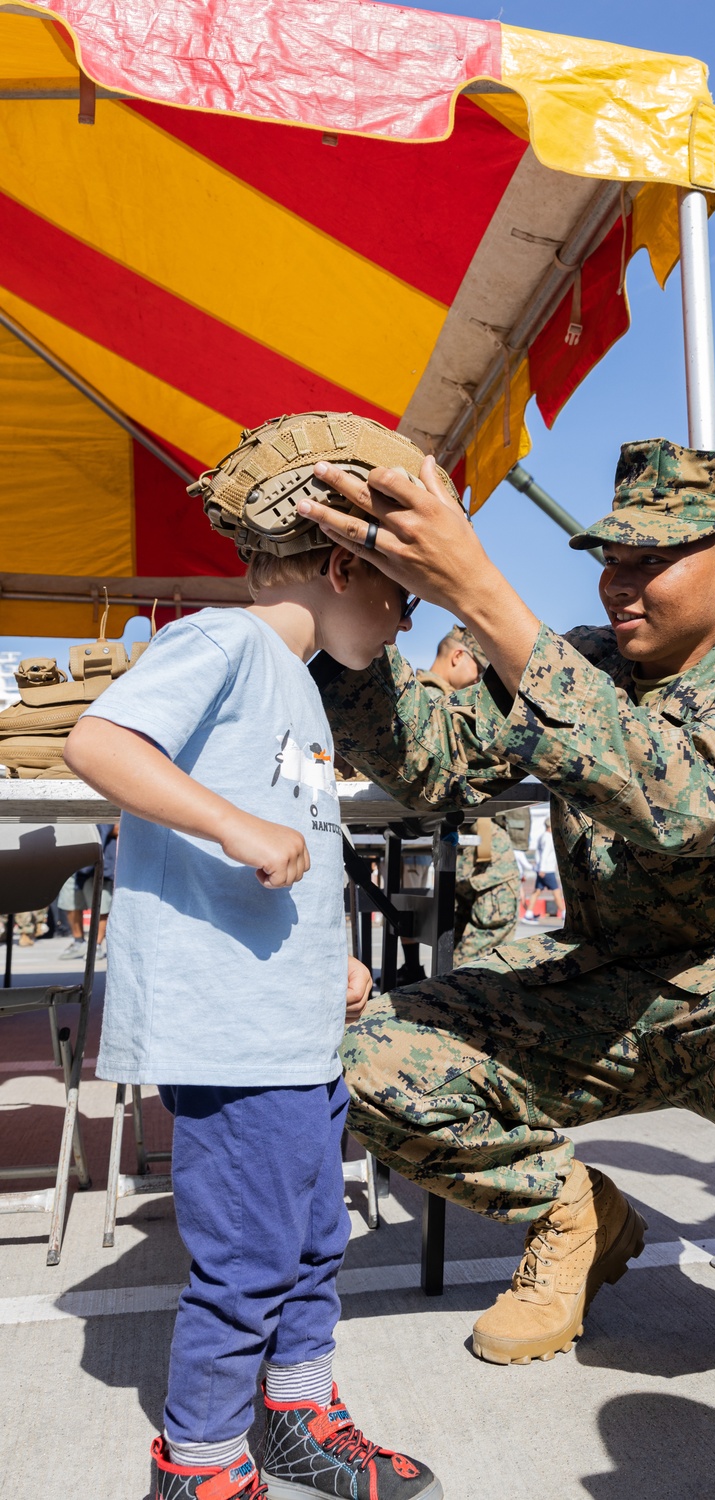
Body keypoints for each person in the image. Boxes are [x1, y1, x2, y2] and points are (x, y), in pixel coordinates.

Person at [301, 435, 715, 1421]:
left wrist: (485, 595)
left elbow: (676, 805)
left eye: (646, 561)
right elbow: (431, 768)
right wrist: (347, 633)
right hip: (580, 987)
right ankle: (574, 1216)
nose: (616, 585)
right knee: (354, 1059)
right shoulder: (573, 662)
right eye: (608, 560)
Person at [64, 413, 442, 1500]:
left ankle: (296, 1414)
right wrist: (233, 826)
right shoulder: (223, 643)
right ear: (340, 561)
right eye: (400, 593)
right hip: (231, 1035)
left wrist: (329, 962)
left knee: (314, 1239)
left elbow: (299, 853)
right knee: (249, 1263)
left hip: (293, 1025)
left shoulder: (300, 688)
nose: (405, 618)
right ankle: (201, 1462)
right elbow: (101, 741)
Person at [397, 625, 522, 981]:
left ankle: (451, 986)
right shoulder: (438, 699)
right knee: (497, 905)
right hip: (464, 832)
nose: (480, 679)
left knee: (459, 924)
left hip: (459, 833)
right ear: (458, 656)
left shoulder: (420, 695)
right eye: (479, 668)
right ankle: (462, 988)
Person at [58, 822, 118, 959]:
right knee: (69, 902)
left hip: (101, 856)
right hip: (72, 856)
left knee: (101, 906)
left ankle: (95, 945)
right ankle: (78, 941)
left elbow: (117, 827)